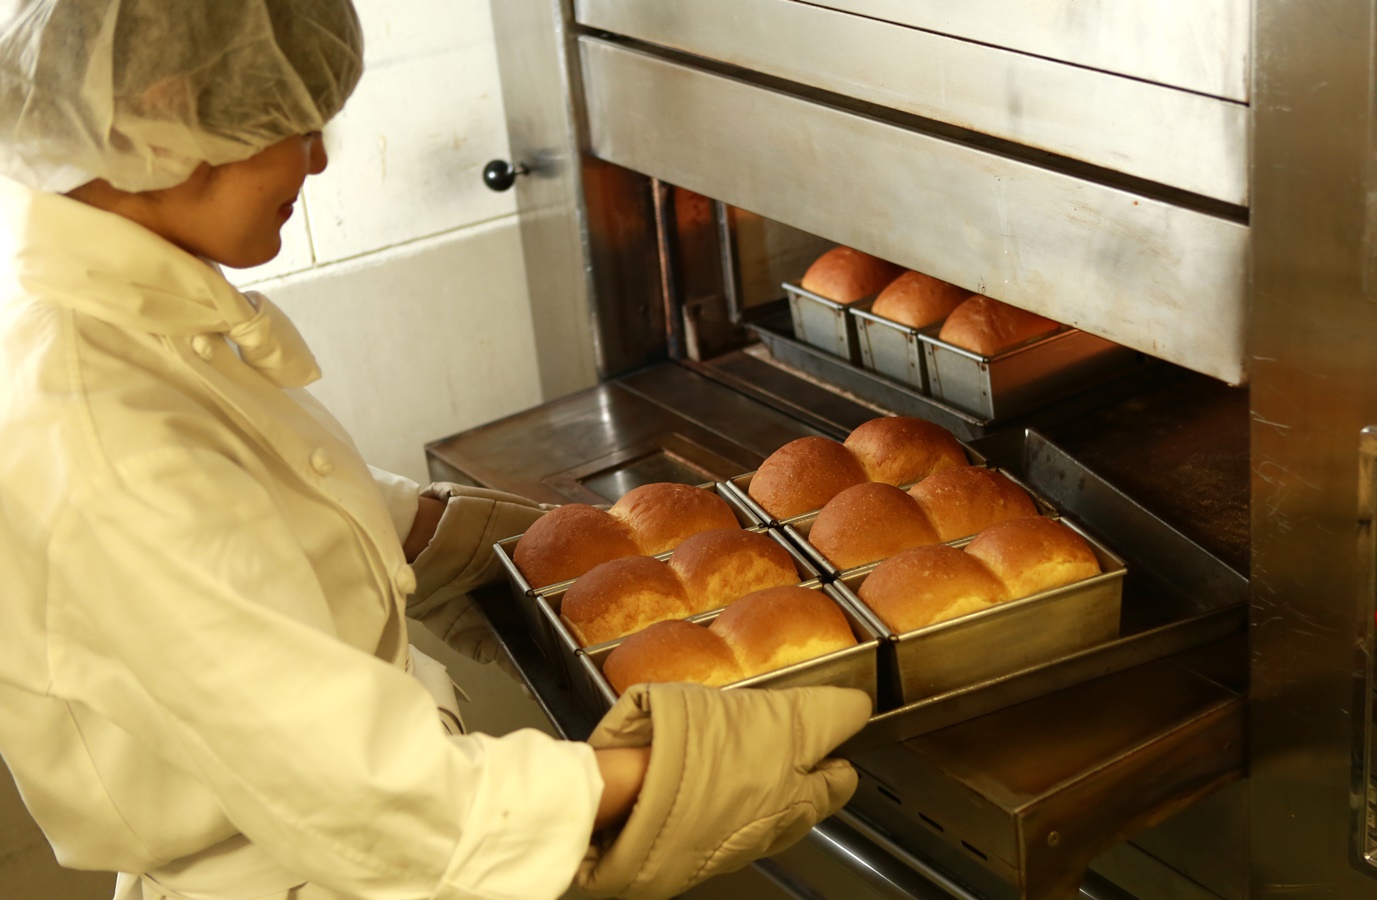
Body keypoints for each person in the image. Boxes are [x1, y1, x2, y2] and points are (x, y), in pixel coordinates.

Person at [0, 2, 871, 899]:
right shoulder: (102, 429)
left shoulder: (139, 333)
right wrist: (682, 776)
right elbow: (361, 793)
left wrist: (488, 547)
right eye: (292, 121)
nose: (322, 157)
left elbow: (264, 515)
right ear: (162, 111)